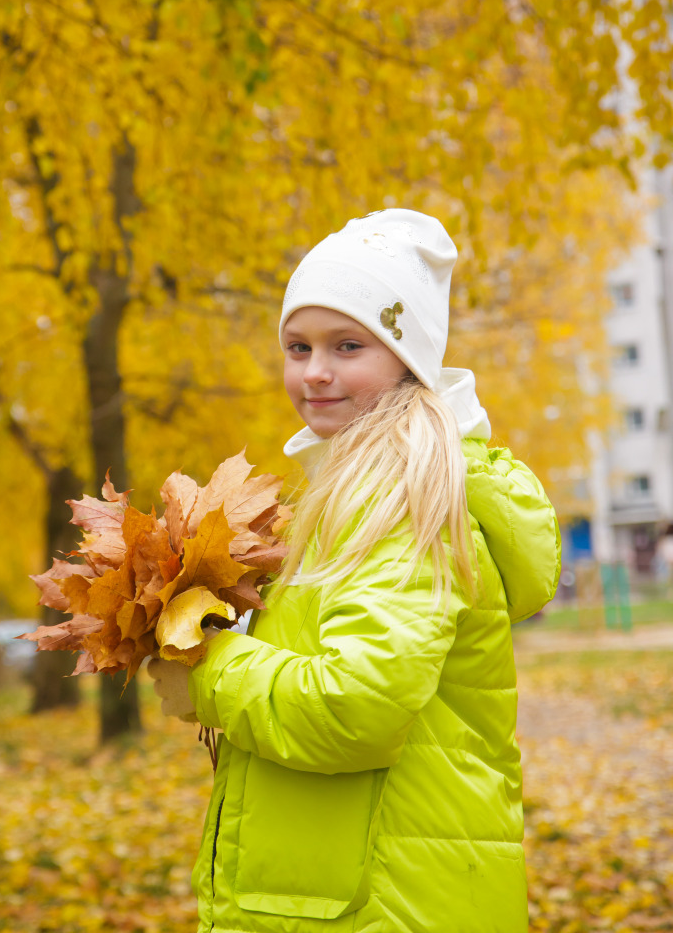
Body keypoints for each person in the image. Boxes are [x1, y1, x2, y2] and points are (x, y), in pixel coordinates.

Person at [149, 209, 561, 933]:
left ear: (408, 360)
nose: (315, 372)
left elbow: (355, 709)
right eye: (297, 345)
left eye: (348, 345)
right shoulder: (353, 490)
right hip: (367, 891)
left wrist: (208, 670)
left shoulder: (399, 500)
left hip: (385, 903)